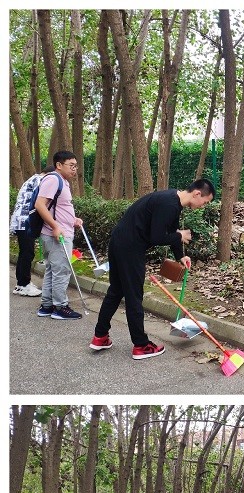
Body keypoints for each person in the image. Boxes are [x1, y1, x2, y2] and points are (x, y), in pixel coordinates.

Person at [89, 178, 215, 359]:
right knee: (134, 296)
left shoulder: (172, 200)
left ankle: (100, 336)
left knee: (116, 291)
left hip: (119, 242)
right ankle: (141, 345)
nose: (204, 205)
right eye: (205, 201)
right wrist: (179, 235)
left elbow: (169, 230)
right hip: (130, 247)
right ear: (197, 193)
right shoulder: (170, 204)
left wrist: (180, 255)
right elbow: (157, 237)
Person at [35, 150, 84, 320]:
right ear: (59, 165)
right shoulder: (53, 179)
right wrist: (55, 226)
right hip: (56, 235)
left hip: (58, 232)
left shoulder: (61, 181)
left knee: (52, 270)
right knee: (62, 271)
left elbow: (59, 208)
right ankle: (60, 307)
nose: (74, 169)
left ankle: (47, 305)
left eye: (76, 166)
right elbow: (40, 205)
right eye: (71, 165)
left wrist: (73, 219)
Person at [9, 166, 53, 296]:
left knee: (25, 252)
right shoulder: (41, 180)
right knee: (27, 253)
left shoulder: (33, 179)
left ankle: (21, 284)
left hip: (20, 221)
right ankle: (23, 285)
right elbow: (40, 203)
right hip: (25, 221)